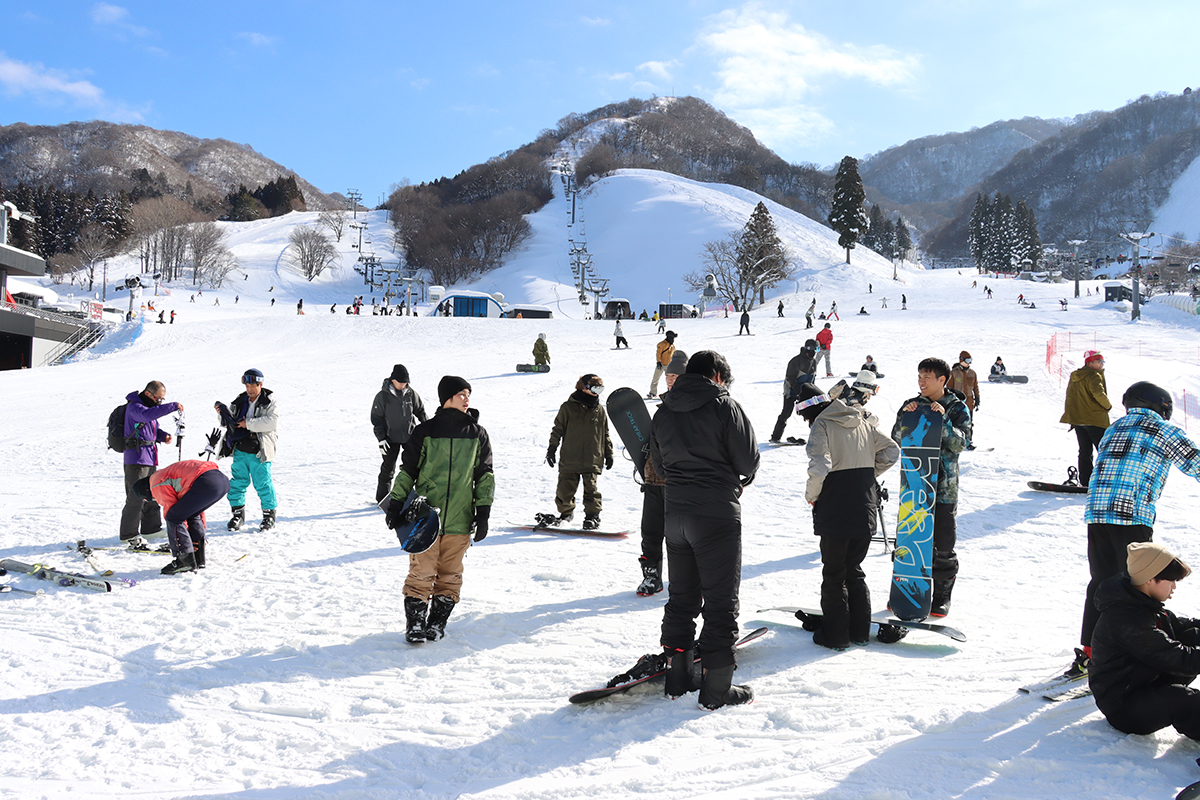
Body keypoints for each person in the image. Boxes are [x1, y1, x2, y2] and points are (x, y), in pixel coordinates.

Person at [650, 350, 759, 710]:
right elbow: (748, 461)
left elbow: (660, 466)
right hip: (715, 515)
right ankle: (716, 690)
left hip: (675, 515)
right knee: (720, 602)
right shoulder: (725, 405)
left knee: (681, 598)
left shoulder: (663, 410)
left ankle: (678, 678)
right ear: (717, 376)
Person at [1069, 382, 1200, 679]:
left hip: (1097, 514)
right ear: (1161, 406)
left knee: (1103, 582)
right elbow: (1195, 462)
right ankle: (1129, 656)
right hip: (1131, 514)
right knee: (1137, 588)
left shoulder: (1114, 428)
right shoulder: (1162, 429)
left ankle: (1091, 653)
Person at [388, 376, 494, 644]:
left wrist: (483, 512)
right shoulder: (425, 431)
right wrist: (396, 502)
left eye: (468, 394)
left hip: (460, 518)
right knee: (421, 572)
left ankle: (436, 623)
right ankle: (415, 624)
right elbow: (408, 471)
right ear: (447, 397)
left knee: (451, 574)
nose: (467, 399)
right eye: (461, 394)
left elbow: (484, 475)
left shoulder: (477, 434)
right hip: (426, 518)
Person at [801, 373, 899, 649]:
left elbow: (820, 466)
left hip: (836, 506)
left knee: (834, 573)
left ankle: (835, 635)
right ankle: (859, 632)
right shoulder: (862, 421)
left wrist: (812, 495)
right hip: (865, 504)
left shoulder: (822, 424)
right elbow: (892, 451)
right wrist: (867, 475)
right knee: (854, 570)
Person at [1090, 542, 1200, 740]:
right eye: (1171, 580)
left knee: (1192, 635)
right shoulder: (1125, 619)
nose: (1174, 587)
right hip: (1125, 706)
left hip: (1145, 682)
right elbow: (1179, 659)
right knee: (1182, 699)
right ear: (1150, 579)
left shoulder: (1141, 603)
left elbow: (1181, 627)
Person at [891, 357, 972, 618]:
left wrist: (943, 420)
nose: (921, 381)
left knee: (943, 543)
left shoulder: (957, 408)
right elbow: (896, 438)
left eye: (927, 377)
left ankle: (941, 596)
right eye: (919, 376)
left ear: (942, 380)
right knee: (909, 538)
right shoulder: (911, 404)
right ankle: (904, 589)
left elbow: (961, 444)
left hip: (944, 488)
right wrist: (907, 417)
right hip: (914, 486)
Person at [636, 350, 687, 596]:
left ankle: (688, 580)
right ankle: (651, 576)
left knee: (681, 536)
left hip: (678, 483)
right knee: (650, 532)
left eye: (675, 376)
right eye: (668, 375)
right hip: (653, 480)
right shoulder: (663, 408)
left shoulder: (692, 407)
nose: (670, 380)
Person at [134, 460, 230, 575]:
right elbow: (196, 513)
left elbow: (173, 514)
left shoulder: (155, 483)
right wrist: (198, 539)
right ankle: (198, 557)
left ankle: (184, 561)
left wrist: (185, 541)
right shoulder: (162, 474)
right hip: (221, 481)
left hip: (205, 481)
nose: (155, 499)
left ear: (146, 492)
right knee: (191, 514)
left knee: (173, 517)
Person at [119, 381, 184, 549]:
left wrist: (163, 436)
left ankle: (151, 529)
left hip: (149, 458)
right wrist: (172, 406)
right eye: (158, 399)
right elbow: (147, 416)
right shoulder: (135, 407)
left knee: (152, 492)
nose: (159, 403)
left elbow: (152, 428)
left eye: (162, 400)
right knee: (135, 496)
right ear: (148, 394)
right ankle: (128, 533)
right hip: (136, 460)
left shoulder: (147, 409)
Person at [545, 374, 613, 529]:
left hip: (592, 456)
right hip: (571, 456)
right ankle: (566, 513)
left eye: (600, 389)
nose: (597, 393)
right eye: (595, 388)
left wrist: (609, 454)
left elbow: (605, 433)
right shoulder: (568, 407)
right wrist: (552, 448)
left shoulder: (600, 410)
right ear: (583, 387)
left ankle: (592, 516)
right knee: (565, 489)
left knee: (591, 490)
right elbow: (558, 429)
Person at [215, 368, 279, 532]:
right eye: (247, 386)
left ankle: (269, 516)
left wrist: (247, 424)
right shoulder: (240, 400)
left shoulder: (269, 401)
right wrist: (222, 414)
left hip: (259, 450)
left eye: (252, 386)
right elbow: (228, 422)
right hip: (240, 449)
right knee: (237, 483)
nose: (249, 389)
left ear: (260, 384)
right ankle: (237, 515)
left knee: (263, 483)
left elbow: (272, 422)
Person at [371, 364, 428, 503]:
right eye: (401, 382)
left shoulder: (411, 394)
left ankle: (417, 496)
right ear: (393, 380)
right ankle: (382, 499)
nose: (403, 385)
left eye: (405, 383)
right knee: (388, 469)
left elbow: (420, 412)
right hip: (390, 439)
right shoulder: (382, 396)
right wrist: (381, 438)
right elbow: (376, 418)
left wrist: (427, 429)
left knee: (414, 467)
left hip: (409, 436)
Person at [1060, 350, 1111, 488]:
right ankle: (1105, 481)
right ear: (1090, 362)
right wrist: (1108, 406)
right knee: (1104, 451)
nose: (1102, 364)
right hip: (1095, 420)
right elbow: (1099, 394)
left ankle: (1086, 481)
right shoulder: (1093, 376)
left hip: (1079, 420)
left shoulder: (1075, 376)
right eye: (1100, 361)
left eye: (1103, 361)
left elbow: (1071, 396)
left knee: (1084, 452)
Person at [769, 339, 818, 443]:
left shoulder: (813, 362)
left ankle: (818, 437)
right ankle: (775, 437)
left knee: (813, 413)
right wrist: (798, 391)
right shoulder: (795, 361)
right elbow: (790, 378)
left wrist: (812, 391)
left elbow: (813, 378)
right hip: (791, 390)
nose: (815, 352)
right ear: (807, 348)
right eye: (814, 349)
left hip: (805, 390)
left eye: (817, 349)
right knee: (786, 413)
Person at [948, 351, 980, 417]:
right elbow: (949, 389)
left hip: (969, 404)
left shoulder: (972, 373)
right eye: (967, 360)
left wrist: (977, 399)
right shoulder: (953, 373)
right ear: (961, 360)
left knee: (969, 422)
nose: (969, 363)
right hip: (957, 405)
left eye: (970, 360)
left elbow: (975, 387)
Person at [648, 330, 677, 398]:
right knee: (655, 379)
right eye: (673, 338)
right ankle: (653, 393)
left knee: (671, 380)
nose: (674, 339)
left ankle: (670, 392)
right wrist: (658, 362)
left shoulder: (672, 346)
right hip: (661, 364)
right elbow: (658, 354)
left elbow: (673, 355)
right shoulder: (662, 344)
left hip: (669, 365)